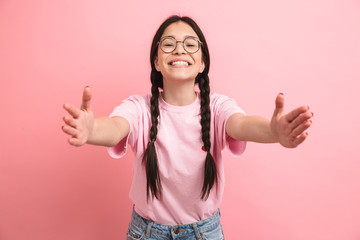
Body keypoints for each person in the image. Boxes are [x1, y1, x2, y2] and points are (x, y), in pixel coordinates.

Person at [62, 15, 313, 240]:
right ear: (157, 62)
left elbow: (242, 124)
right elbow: (115, 127)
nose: (179, 50)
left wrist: (274, 132)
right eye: (169, 44)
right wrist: (91, 130)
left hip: (205, 233)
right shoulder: (138, 108)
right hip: (146, 233)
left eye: (190, 44)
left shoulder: (217, 106)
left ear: (202, 63)